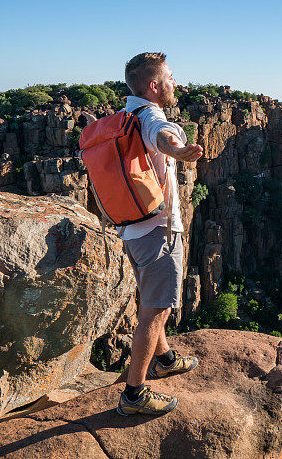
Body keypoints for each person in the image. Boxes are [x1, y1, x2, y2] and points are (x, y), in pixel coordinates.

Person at [103, 52, 203, 415]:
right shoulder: (150, 116)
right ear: (154, 85)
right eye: (171, 78)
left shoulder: (124, 115)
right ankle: (134, 395)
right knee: (156, 310)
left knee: (150, 301)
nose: (176, 83)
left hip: (132, 230)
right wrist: (179, 149)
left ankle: (164, 359)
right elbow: (161, 137)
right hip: (157, 231)